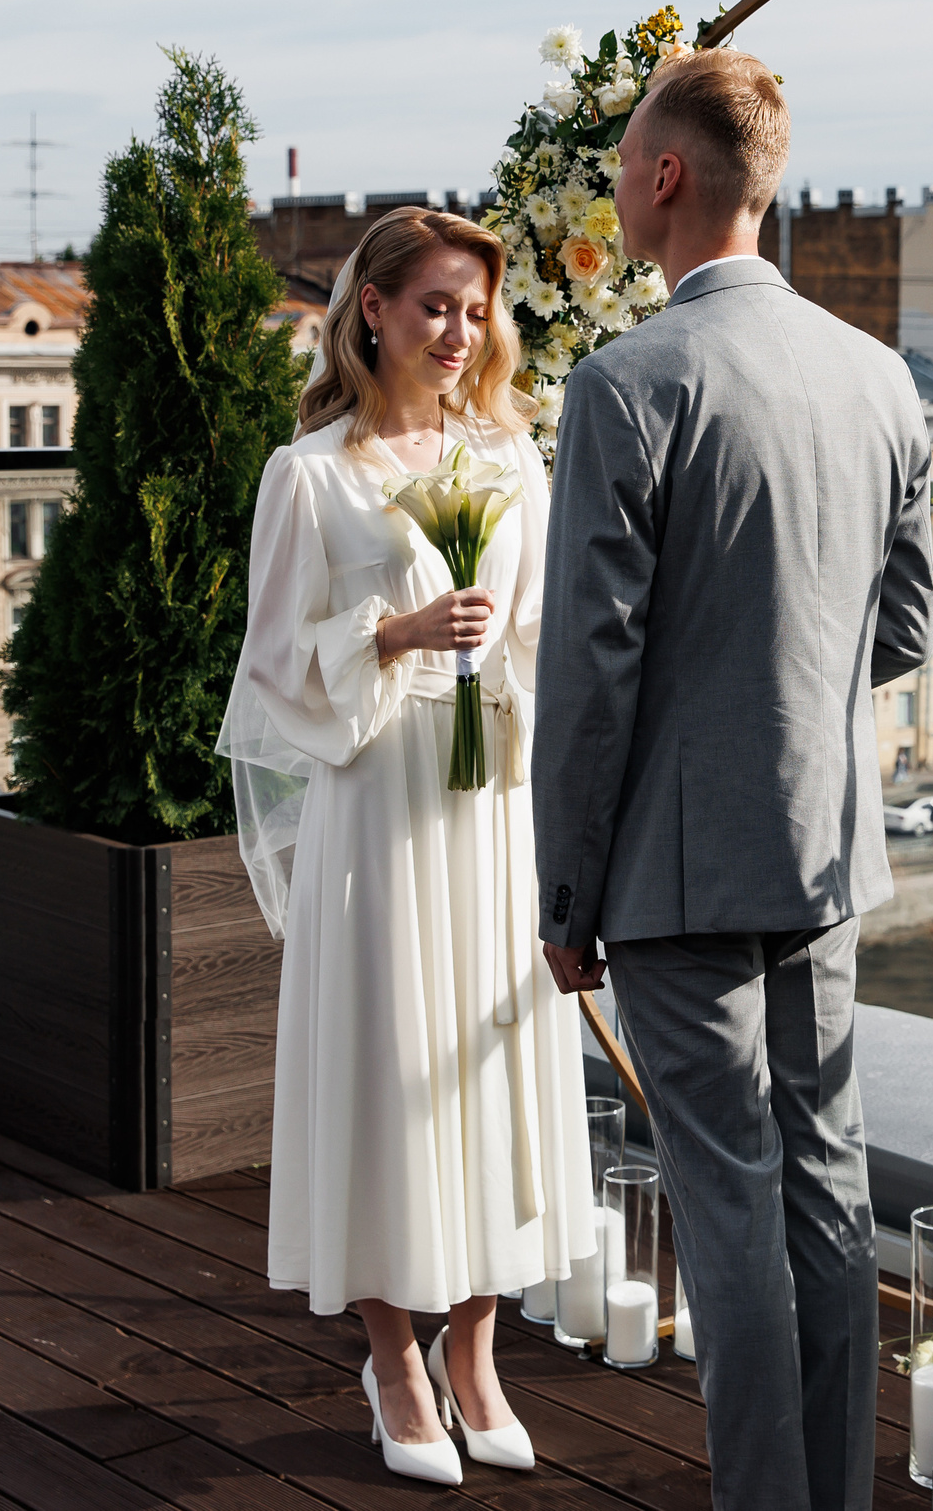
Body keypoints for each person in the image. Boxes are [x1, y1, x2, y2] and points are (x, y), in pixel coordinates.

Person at [533, 48, 933, 1511]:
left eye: (625, 159)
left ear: (665, 176)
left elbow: (590, 679)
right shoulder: (878, 375)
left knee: (728, 1210)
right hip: (824, 854)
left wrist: (565, 893)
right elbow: (904, 626)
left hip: (673, 874)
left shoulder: (627, 383)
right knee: (826, 1186)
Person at [218, 206, 598, 1487]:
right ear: (370, 307)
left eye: (474, 308)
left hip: (491, 807)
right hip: (378, 808)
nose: (458, 331)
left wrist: (501, 678)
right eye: (435, 304)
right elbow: (270, 667)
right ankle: (392, 1360)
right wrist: (392, 635)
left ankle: (479, 1352)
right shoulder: (311, 475)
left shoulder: (512, 461)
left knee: (489, 1062)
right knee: (390, 1066)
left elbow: (550, 639)